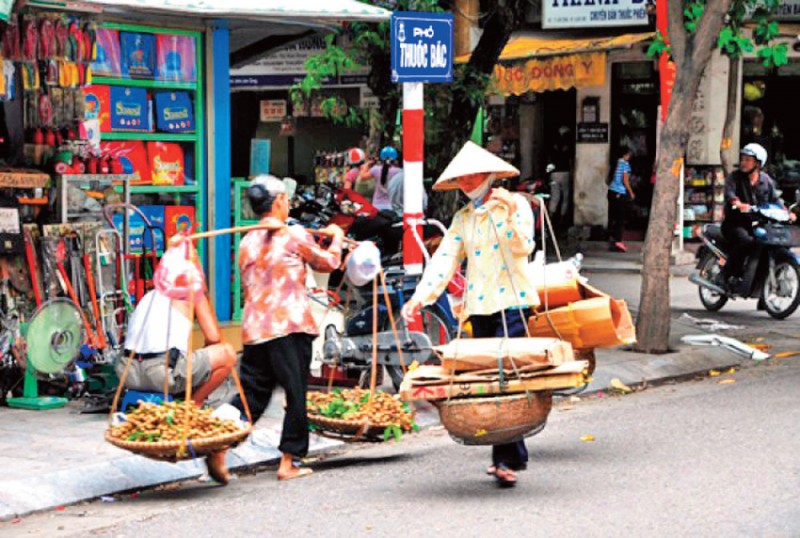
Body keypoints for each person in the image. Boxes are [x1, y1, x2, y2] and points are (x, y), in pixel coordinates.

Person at [401, 141, 540, 487]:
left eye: (473, 174)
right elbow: (445, 261)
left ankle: (507, 457)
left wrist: (507, 211)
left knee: (506, 377)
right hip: (479, 307)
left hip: (513, 303)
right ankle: (508, 456)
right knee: (489, 381)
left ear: (489, 174)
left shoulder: (517, 203)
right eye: (461, 176)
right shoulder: (463, 218)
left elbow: (524, 246)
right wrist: (420, 298)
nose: (467, 181)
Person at [230, 174, 344, 481]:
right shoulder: (293, 235)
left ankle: (220, 443)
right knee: (296, 393)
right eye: (285, 198)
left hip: (255, 330)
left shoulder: (246, 241)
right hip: (289, 327)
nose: (288, 203)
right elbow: (328, 262)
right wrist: (337, 237)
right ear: (279, 201)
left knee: (252, 396)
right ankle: (288, 462)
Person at [120, 283, 237, 484]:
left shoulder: (151, 295)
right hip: (159, 372)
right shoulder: (192, 290)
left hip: (126, 371)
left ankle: (186, 404)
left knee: (189, 363)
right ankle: (191, 407)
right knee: (226, 353)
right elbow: (213, 337)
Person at [721, 143, 795, 291]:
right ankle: (728, 275)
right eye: (743, 159)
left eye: (748, 160)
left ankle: (762, 291)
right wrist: (737, 203)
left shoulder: (766, 181)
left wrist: (787, 212)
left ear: (758, 163)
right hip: (735, 223)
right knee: (746, 242)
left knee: (774, 244)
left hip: (758, 223)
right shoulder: (734, 177)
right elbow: (729, 193)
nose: (743, 162)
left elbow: (775, 200)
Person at [607, 146, 635, 253]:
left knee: (613, 216)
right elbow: (625, 180)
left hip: (611, 192)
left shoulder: (615, 163)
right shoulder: (625, 164)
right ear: (625, 155)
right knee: (620, 218)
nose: (629, 156)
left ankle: (612, 238)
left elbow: (607, 180)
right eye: (628, 154)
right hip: (620, 192)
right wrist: (631, 193)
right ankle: (618, 240)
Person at [370, 146, 402, 212]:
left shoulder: (375, 169)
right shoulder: (399, 171)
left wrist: (368, 163)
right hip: (392, 206)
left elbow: (362, 177)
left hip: (377, 205)